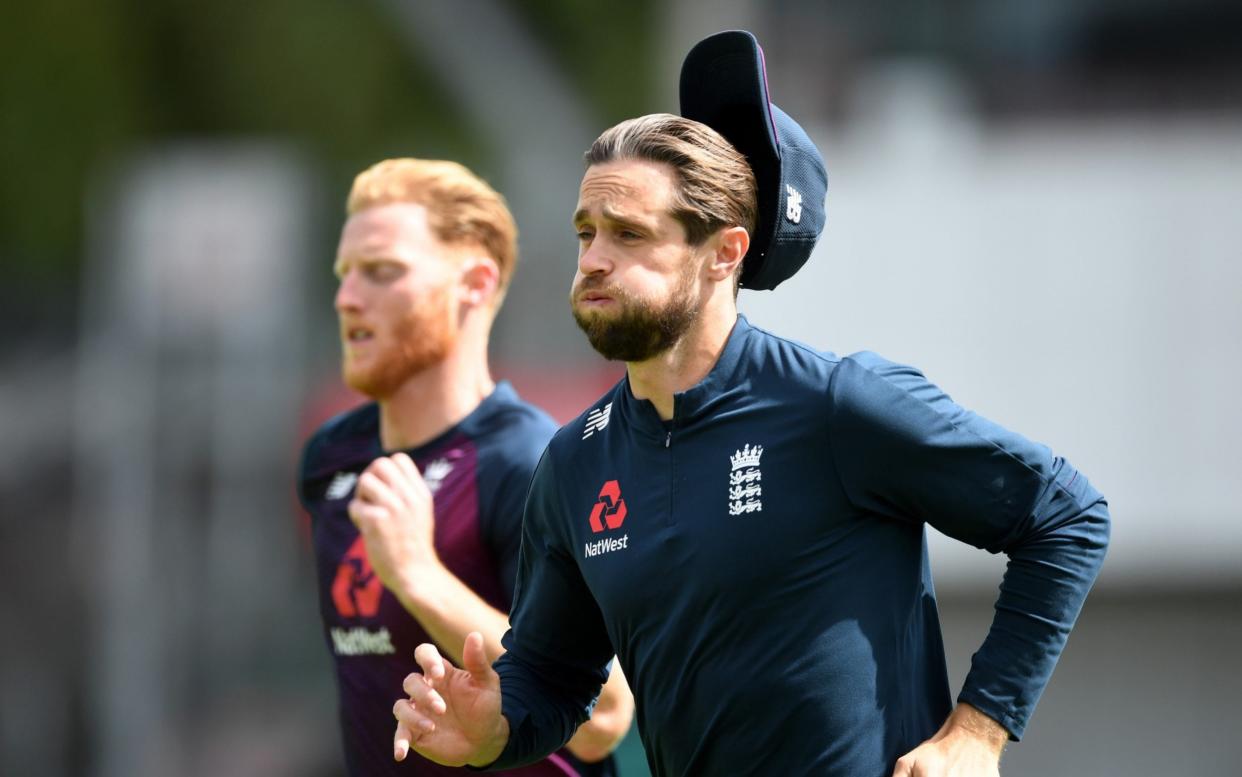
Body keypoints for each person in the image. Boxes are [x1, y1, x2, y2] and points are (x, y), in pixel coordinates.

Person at [390, 32, 1110, 777]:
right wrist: (494, 726)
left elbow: (1065, 514)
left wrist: (978, 731)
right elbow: (553, 677)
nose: (594, 258)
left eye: (629, 234)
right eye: (586, 232)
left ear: (724, 253)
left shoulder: (837, 403)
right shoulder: (575, 463)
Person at [298, 158, 634, 777]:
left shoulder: (530, 463)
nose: (347, 298)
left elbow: (607, 718)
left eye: (382, 272)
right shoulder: (331, 461)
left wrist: (418, 576)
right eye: (345, 274)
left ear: (473, 285)